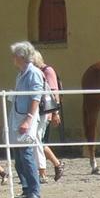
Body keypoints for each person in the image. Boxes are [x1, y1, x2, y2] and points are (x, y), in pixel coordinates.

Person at [9, 41, 44, 198]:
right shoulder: (20, 73)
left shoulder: (33, 73)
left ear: (21, 57)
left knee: (27, 154)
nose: (13, 58)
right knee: (18, 156)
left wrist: (28, 119)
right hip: (17, 116)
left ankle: (35, 190)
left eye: (15, 55)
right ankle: (25, 187)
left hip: (26, 118)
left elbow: (36, 97)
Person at [31, 49, 64, 183]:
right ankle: (56, 165)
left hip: (45, 112)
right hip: (37, 112)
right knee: (38, 141)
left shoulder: (47, 71)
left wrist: (55, 113)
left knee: (37, 140)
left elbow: (53, 92)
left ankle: (43, 172)